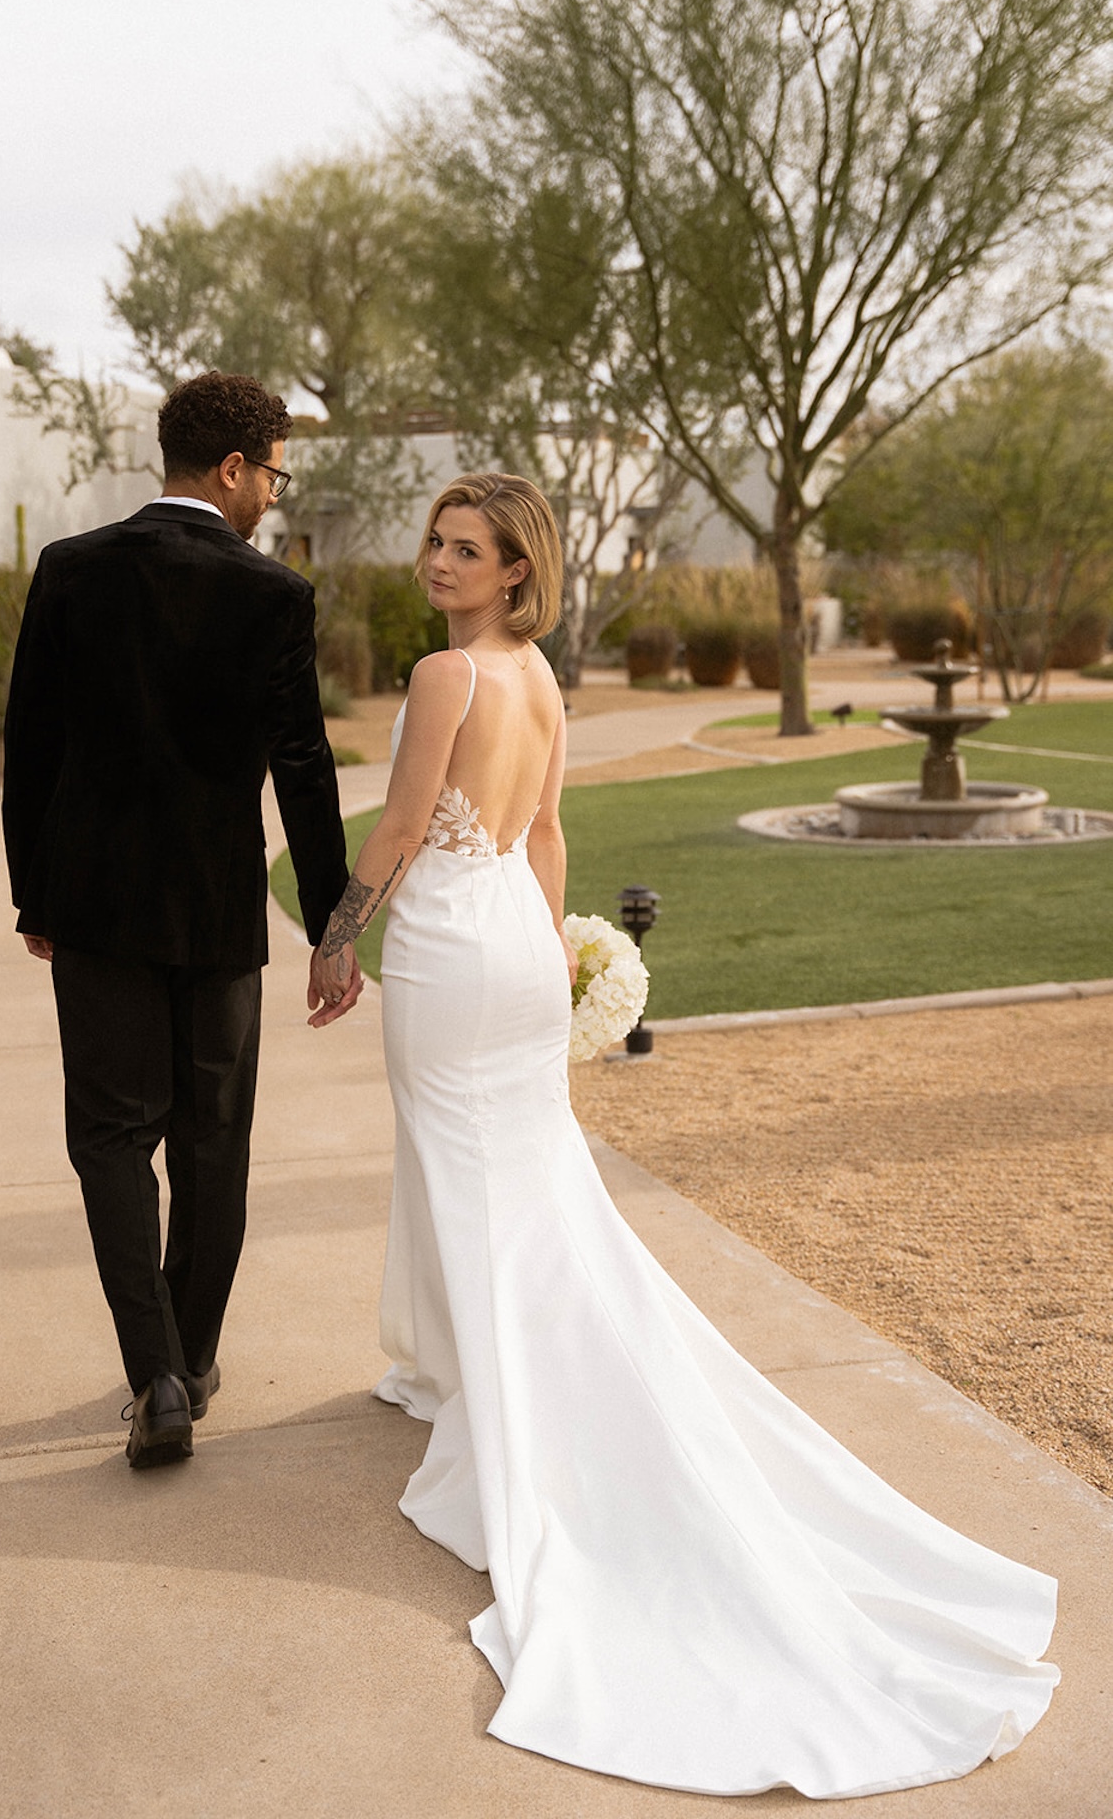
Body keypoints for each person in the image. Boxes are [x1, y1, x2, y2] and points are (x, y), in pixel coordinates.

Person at [310, 471, 1059, 1799]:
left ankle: (503, 1405)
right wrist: (548, 960)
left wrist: (336, 936)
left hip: (447, 952)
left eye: (463, 549)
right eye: (433, 542)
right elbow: (546, 833)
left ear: (514, 571)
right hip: (517, 954)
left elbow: (408, 826)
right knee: (524, 1185)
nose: (436, 562)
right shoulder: (542, 682)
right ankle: (464, 1372)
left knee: (471, 1178)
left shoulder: (448, 679)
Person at [2, 370, 360, 1470]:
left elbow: (30, 749)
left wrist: (35, 895)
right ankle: (191, 1360)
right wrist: (332, 926)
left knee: (111, 1138)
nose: (273, 497)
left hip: (97, 907)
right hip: (213, 912)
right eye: (274, 474)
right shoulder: (273, 596)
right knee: (212, 1139)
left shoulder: (68, 571)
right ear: (234, 468)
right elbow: (302, 767)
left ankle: (154, 1372)